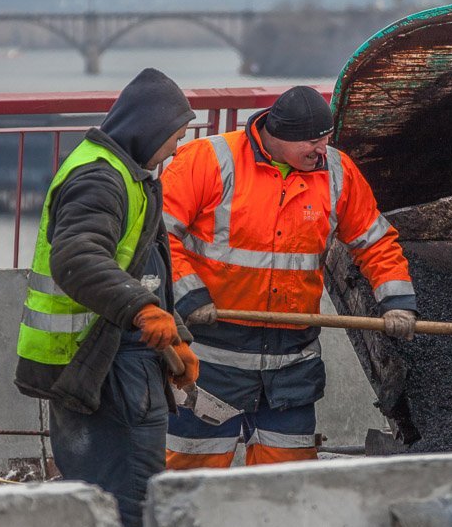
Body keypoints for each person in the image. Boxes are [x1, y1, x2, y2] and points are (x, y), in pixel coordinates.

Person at [13, 67, 200, 527]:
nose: (180, 148)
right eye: (176, 136)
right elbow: (77, 257)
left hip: (103, 361)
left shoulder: (134, 174)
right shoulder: (101, 177)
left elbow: (145, 267)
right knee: (130, 506)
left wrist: (176, 338)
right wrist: (146, 314)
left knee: (102, 500)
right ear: (150, 130)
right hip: (99, 368)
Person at [161, 85, 416, 468]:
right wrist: (191, 298)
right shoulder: (209, 161)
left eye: (326, 140)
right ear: (277, 136)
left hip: (290, 367)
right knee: (189, 478)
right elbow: (158, 239)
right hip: (210, 363)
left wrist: (397, 303)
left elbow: (375, 241)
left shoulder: (337, 172)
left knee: (287, 484)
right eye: (312, 143)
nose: (321, 151)